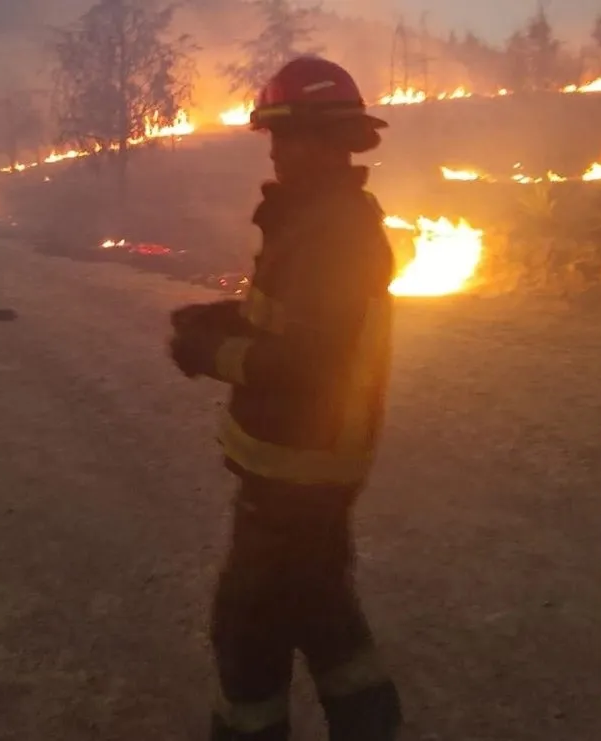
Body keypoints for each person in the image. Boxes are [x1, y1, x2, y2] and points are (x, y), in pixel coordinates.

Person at [166, 56, 402, 741]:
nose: (274, 150)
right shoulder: (309, 221)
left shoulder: (337, 232)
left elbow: (306, 364)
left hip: (301, 465)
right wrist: (220, 317)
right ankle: (373, 725)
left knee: (247, 628)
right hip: (297, 462)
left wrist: (208, 353)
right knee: (320, 610)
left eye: (286, 135)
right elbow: (288, 321)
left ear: (330, 139)